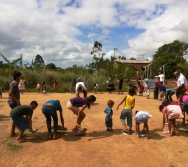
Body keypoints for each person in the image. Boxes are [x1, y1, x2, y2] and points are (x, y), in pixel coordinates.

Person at [8, 71, 22, 137]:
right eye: (20, 77)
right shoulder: (14, 84)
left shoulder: (14, 83)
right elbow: (10, 93)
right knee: (16, 117)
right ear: (17, 77)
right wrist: (17, 101)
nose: (21, 78)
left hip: (14, 102)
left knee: (15, 117)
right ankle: (13, 132)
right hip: (14, 102)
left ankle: (12, 132)